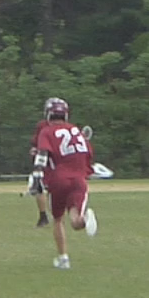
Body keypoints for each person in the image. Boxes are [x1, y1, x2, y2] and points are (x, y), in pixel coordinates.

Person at [33, 98, 97, 269]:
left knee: (58, 219)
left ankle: (63, 258)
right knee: (76, 222)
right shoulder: (76, 130)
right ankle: (84, 219)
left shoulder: (47, 131)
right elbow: (88, 154)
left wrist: (38, 173)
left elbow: (43, 154)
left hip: (58, 179)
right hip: (78, 179)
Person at [26, 99, 60, 228]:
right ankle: (43, 215)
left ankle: (59, 213)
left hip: (59, 161)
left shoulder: (65, 127)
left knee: (57, 188)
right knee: (39, 186)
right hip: (44, 160)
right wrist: (35, 149)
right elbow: (36, 142)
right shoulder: (42, 125)